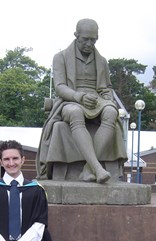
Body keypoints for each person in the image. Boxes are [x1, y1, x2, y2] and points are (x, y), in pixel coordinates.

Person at [36, 18, 127, 183]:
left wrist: (107, 98)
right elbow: (60, 87)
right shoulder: (61, 57)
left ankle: (88, 169)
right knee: (76, 113)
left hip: (97, 100)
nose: (89, 43)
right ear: (76, 35)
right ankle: (97, 168)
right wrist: (79, 97)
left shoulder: (102, 61)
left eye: (93, 39)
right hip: (70, 100)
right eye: (85, 39)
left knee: (111, 112)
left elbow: (106, 87)